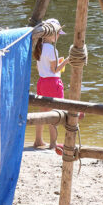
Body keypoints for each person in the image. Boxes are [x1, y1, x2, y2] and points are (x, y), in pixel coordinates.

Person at [32, 18, 67, 149]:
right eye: (57, 33)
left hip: (42, 82)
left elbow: (39, 68)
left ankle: (38, 140)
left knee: (42, 111)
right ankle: (53, 143)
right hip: (53, 83)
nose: (58, 36)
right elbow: (55, 69)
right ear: (50, 34)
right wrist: (67, 61)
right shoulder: (52, 50)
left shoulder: (39, 47)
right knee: (55, 112)